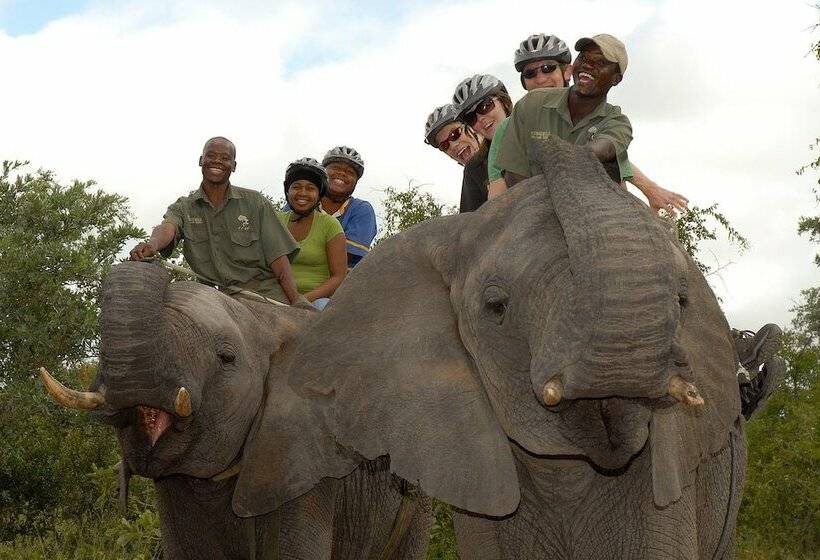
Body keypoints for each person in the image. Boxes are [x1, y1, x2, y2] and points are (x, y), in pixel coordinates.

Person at [505, 33, 687, 212]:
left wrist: (650, 189)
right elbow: (513, 174)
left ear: (616, 79)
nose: (588, 65)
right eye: (583, 58)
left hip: (594, 210)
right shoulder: (528, 106)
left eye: (600, 63)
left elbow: (605, 150)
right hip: (532, 211)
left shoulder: (617, 122)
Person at [129, 136, 303, 305]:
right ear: (201, 160)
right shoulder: (184, 207)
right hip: (212, 301)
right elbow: (168, 227)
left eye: (225, 158)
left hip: (261, 296)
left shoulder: (255, 202)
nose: (217, 161)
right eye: (211, 156)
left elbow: (278, 257)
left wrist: (296, 301)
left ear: (233, 166)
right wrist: (152, 244)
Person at [278, 158, 346, 310]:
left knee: (323, 312)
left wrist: (301, 300)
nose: (302, 193)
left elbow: (338, 277)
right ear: (287, 191)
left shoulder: (330, 225)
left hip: (315, 300)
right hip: (274, 296)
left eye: (310, 188)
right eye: (296, 187)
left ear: (320, 193)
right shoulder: (275, 221)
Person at [453, 74, 513, 201]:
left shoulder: (538, 131)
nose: (480, 119)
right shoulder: (475, 168)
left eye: (485, 106)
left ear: (504, 101)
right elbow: (472, 219)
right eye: (471, 118)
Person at [423, 103, 488, 212]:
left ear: (471, 124)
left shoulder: (509, 140)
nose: (453, 146)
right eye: (444, 145)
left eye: (455, 134)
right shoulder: (472, 175)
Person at [319, 146, 377, 268]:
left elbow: (343, 257)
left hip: (341, 283)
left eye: (350, 172)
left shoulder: (362, 210)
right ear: (322, 172)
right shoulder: (301, 202)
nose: (341, 173)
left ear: (356, 182)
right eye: (335, 168)